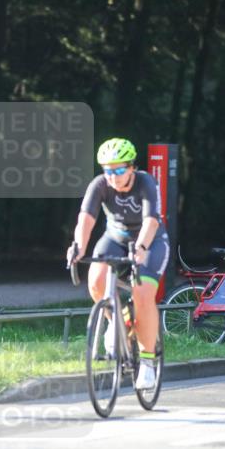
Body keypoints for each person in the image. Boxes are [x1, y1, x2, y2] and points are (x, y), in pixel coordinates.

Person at [66, 138, 169, 391]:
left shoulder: (146, 182)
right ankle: (115, 323)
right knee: (96, 281)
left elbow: (151, 222)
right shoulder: (99, 185)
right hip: (115, 238)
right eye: (108, 170)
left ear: (132, 168)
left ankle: (146, 363)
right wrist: (78, 246)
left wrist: (142, 249)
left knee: (143, 293)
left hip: (151, 242)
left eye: (119, 170)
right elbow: (86, 219)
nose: (113, 176)